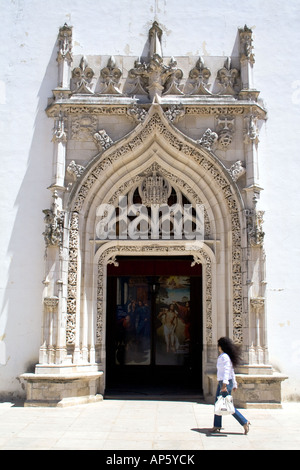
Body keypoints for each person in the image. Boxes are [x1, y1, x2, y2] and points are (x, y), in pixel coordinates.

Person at [211, 337, 251, 435]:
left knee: (227, 405)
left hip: (224, 383)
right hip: (225, 382)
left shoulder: (224, 357)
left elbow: (226, 372)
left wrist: (224, 385)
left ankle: (244, 422)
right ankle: (217, 425)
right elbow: (231, 371)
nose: (218, 347)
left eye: (219, 346)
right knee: (218, 403)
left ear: (221, 346)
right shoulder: (226, 356)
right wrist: (234, 383)